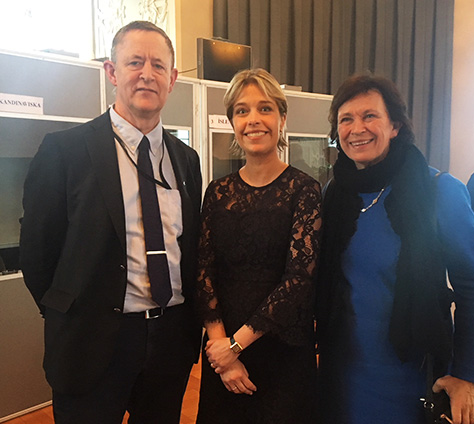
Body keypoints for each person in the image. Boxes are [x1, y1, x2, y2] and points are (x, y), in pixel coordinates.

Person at [19, 21, 202, 424]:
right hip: (91, 342)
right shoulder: (63, 152)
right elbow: (37, 251)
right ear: (112, 72)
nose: (146, 74)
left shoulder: (186, 160)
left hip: (169, 340)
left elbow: (187, 249)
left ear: (172, 79)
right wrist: (71, 310)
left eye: (158, 65)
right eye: (134, 62)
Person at [316, 74, 474, 424]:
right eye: (345, 119)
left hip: (411, 373)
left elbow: (472, 287)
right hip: (343, 369)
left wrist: (467, 375)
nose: (356, 128)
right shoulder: (335, 195)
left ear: (394, 125)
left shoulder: (440, 192)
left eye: (369, 116)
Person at [195, 68, 322, 424]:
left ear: (282, 118)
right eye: (242, 110)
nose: (254, 120)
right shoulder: (217, 193)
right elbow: (203, 272)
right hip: (223, 351)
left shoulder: (304, 190)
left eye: (265, 109)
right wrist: (223, 353)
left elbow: (299, 279)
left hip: (281, 350)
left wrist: (235, 346)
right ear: (232, 121)